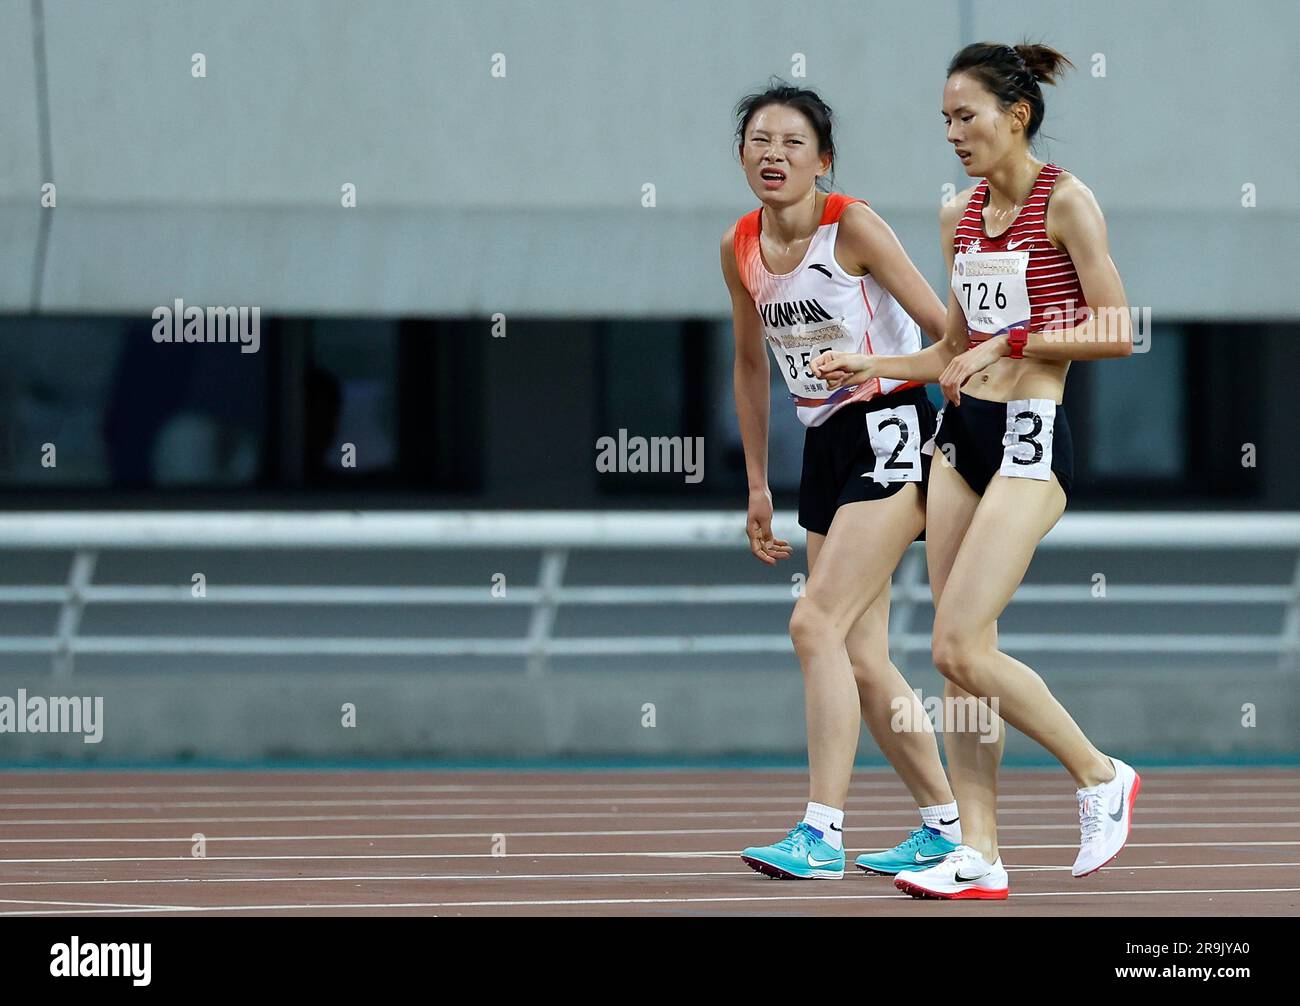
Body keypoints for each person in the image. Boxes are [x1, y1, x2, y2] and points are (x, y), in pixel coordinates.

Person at [814, 43, 1139, 899]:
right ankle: (983, 854)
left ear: (1017, 115)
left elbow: (1116, 328)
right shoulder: (959, 216)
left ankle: (1102, 774)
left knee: (957, 639)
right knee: (961, 659)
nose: (953, 135)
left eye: (967, 117)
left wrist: (1014, 340)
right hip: (962, 438)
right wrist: (874, 366)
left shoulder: (1066, 202)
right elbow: (954, 349)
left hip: (1032, 436)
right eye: (945, 122)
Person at [721, 80, 968, 880]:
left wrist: (875, 366)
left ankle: (820, 833)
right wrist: (758, 483)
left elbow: (947, 334)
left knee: (812, 625)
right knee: (861, 658)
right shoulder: (741, 248)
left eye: (793, 143)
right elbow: (751, 366)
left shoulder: (852, 226)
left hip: (893, 426)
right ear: (742, 155)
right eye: (760, 140)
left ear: (823, 161)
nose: (774, 155)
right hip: (824, 446)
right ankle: (944, 826)